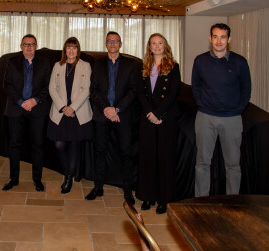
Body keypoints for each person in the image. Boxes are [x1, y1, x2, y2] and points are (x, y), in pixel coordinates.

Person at [192, 23, 251, 197]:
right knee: (202, 163)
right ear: (210, 38)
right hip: (205, 117)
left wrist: (237, 109)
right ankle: (201, 201)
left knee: (233, 165)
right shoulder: (200, 60)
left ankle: (231, 202)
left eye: (223, 37)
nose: (219, 41)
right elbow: (196, 86)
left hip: (232, 118)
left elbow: (246, 90)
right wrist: (202, 103)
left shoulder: (240, 62)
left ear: (229, 39)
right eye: (215, 36)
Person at [86, 31, 140, 204]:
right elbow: (93, 89)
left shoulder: (131, 65)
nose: (112, 43)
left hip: (122, 115)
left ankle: (128, 191)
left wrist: (116, 109)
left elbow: (134, 90)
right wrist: (106, 109)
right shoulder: (97, 64)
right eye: (109, 41)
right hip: (102, 115)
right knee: (100, 151)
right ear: (106, 44)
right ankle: (98, 187)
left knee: (126, 153)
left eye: (116, 41)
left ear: (120, 44)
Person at [136, 33, 181, 214]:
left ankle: (164, 199)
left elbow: (173, 93)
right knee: (148, 158)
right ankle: (148, 196)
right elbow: (140, 93)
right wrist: (150, 112)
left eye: (160, 43)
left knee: (164, 159)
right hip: (148, 118)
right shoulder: (144, 66)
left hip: (165, 118)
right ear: (149, 47)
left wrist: (158, 113)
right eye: (153, 43)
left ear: (165, 45)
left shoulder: (173, 66)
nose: (157, 46)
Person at [2, 34, 52, 192]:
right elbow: (7, 85)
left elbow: (48, 86)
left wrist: (35, 100)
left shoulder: (44, 63)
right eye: (26, 44)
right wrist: (20, 102)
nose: (29, 47)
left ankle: (37, 179)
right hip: (16, 109)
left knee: (38, 145)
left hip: (37, 110)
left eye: (32, 44)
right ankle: (13, 178)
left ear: (36, 46)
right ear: (21, 46)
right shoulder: (11, 62)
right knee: (14, 145)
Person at [47, 37, 93, 194]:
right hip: (60, 112)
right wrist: (63, 107)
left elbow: (87, 89)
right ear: (64, 50)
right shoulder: (58, 65)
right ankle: (68, 172)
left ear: (78, 50)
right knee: (59, 145)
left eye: (74, 48)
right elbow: (52, 88)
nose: (71, 51)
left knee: (74, 144)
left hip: (78, 112)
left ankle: (68, 179)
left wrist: (72, 108)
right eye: (68, 47)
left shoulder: (86, 66)